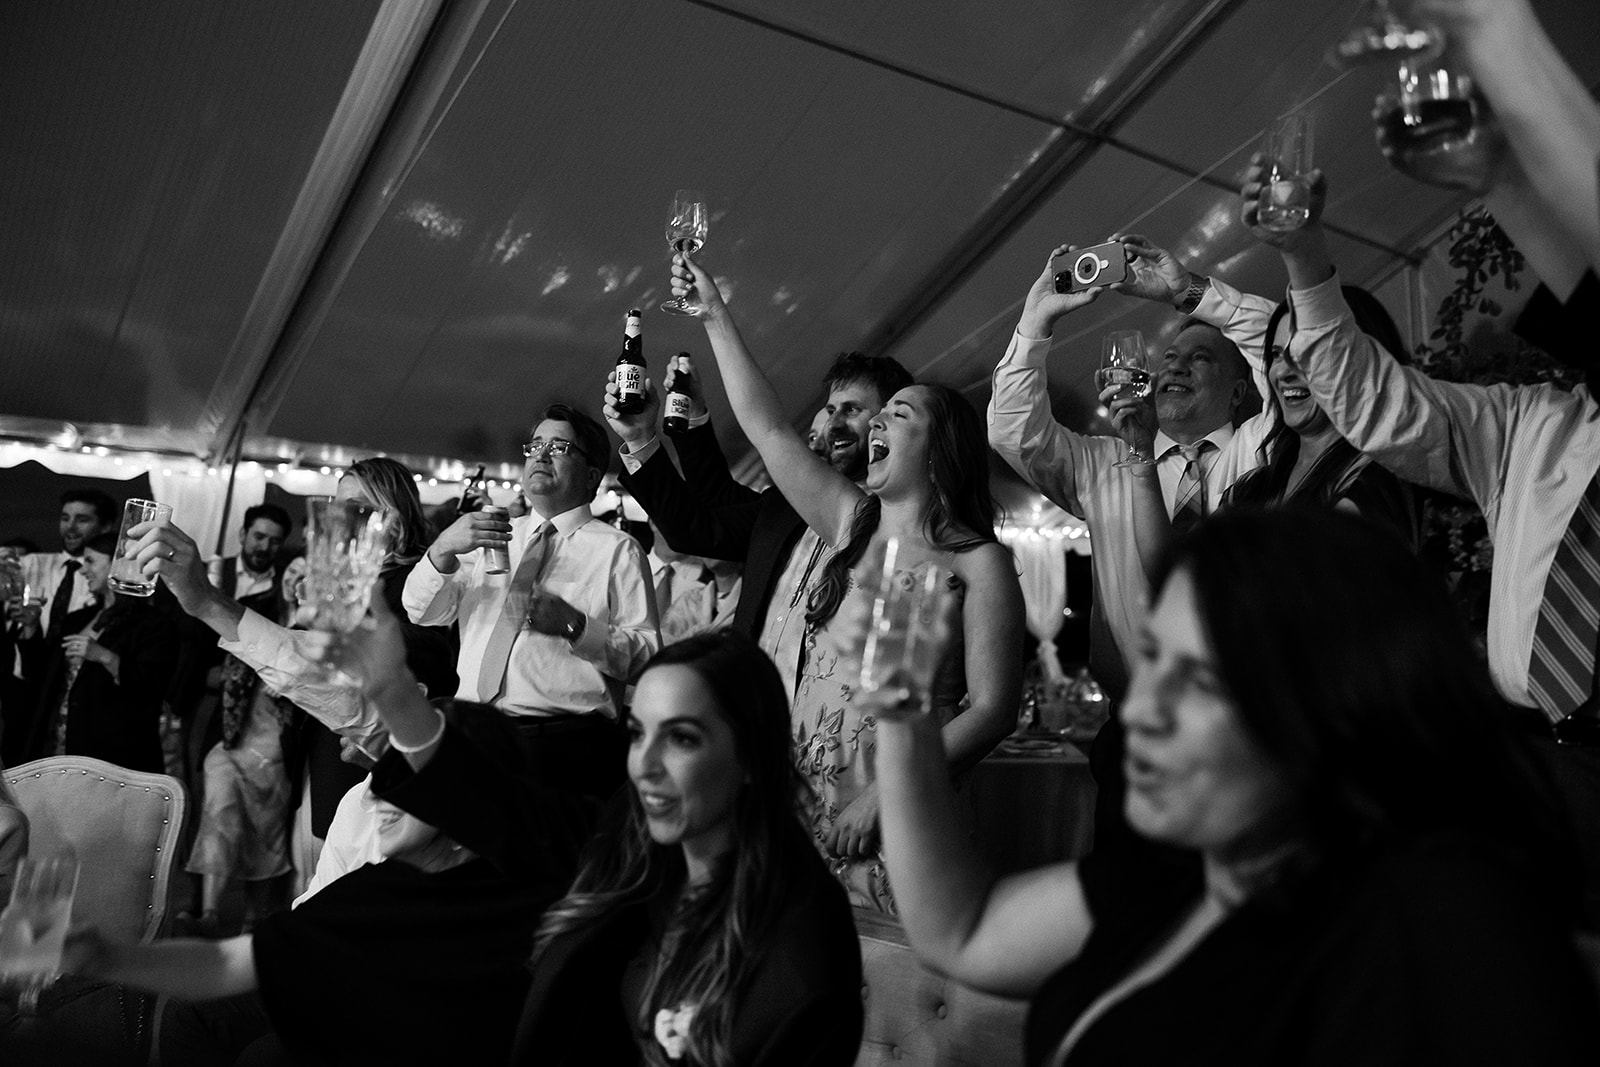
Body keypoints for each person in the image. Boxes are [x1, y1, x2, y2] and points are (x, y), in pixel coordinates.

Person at [873, 508, 1599, 1065]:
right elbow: (963, 930)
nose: (1143, 711)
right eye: (1153, 659)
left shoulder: (1440, 936)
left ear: (1334, 708)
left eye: (1201, 681)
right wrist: (901, 693)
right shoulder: (1195, 869)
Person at [344, 589, 863, 1065]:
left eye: (682, 739)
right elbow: (495, 804)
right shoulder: (634, 840)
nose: (645, 766)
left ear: (752, 755)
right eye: (638, 734)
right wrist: (392, 690)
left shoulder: (800, 941)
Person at [669, 250, 1023, 913]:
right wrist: (714, 313)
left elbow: (993, 709)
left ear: (940, 451)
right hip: (799, 806)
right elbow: (767, 428)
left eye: (901, 415)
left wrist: (885, 793)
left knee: (881, 967)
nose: (878, 423)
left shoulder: (979, 561)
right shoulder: (850, 520)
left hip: (897, 812)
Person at [987, 241, 1273, 702]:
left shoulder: (1260, 451)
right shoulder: (1105, 465)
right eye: (1169, 358)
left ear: (1239, 392)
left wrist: (1189, 292)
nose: (1176, 367)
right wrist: (1035, 322)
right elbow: (1012, 431)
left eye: (1200, 358)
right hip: (1130, 716)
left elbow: (1293, 356)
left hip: (1245, 710)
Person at [607, 351, 913, 684]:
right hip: (756, 704)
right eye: (829, 410)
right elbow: (701, 519)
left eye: (852, 410)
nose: (833, 424)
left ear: (885, 422)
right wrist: (644, 436)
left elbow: (768, 431)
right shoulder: (787, 507)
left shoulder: (898, 518)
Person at [403, 403, 658, 797]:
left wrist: (576, 626)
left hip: (563, 747)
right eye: (535, 446)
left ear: (592, 474)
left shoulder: (617, 550)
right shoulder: (491, 533)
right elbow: (422, 613)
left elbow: (648, 658)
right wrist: (442, 549)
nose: (540, 456)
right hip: (472, 735)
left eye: (559, 448)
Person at [1218, 290, 1419, 547]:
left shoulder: (1377, 480)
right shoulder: (1252, 488)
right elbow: (1186, 563)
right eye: (1276, 354)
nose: (1284, 372)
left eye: (1306, 355)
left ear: (1363, 363)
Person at [182, 504, 295, 935]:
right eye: (259, 536)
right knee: (215, 803)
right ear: (244, 534)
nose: (265, 547)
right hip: (223, 718)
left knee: (266, 820)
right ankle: (206, 910)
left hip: (273, 725)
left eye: (274, 541)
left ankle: (254, 918)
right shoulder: (217, 575)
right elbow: (192, 639)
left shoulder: (288, 594)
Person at [12, 530, 177, 773]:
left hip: (112, 756)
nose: (82, 570)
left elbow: (152, 688)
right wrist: (31, 628)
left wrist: (105, 657)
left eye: (90, 561)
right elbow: (42, 678)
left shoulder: (153, 625)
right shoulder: (77, 619)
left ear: (118, 564)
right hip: (58, 746)